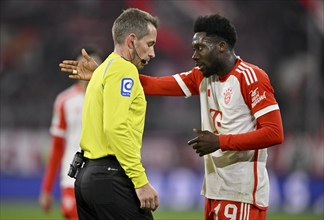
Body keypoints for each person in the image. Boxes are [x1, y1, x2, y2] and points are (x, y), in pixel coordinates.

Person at [60, 14, 284, 220]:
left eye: (200, 48)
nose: (194, 55)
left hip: (241, 191)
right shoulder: (201, 77)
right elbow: (154, 85)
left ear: (221, 47)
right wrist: (103, 73)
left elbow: (274, 133)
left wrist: (219, 142)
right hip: (215, 189)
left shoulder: (251, 77)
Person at [60, 8, 160, 220]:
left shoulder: (103, 71)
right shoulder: (125, 70)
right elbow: (115, 127)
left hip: (86, 177)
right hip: (111, 177)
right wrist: (140, 181)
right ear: (132, 41)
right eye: (150, 44)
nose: (152, 53)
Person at [39, 48, 102, 220]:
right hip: (72, 176)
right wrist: (46, 189)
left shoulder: (108, 98)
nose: (89, 68)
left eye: (94, 64)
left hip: (102, 176)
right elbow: (57, 148)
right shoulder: (65, 101)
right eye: (84, 64)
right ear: (76, 67)